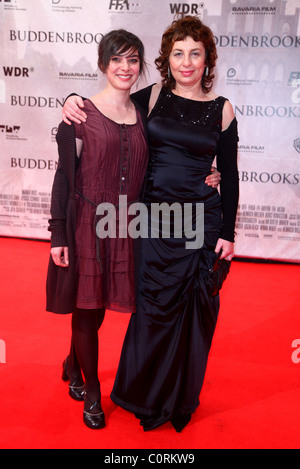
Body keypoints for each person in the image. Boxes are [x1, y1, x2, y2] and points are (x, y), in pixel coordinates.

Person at [62, 15, 237, 432]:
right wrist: (72, 98)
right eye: (179, 53)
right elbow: (110, 106)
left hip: (199, 223)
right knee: (147, 307)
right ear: (167, 59)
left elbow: (229, 175)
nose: (187, 61)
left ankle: (172, 394)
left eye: (195, 53)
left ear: (207, 59)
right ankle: (91, 368)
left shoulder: (224, 110)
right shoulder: (153, 96)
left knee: (188, 314)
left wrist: (228, 233)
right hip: (152, 221)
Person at [46, 29, 150, 430]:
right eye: (117, 59)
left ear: (140, 66)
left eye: (133, 60)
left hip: (126, 226)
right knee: (86, 308)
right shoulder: (79, 115)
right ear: (103, 64)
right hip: (87, 223)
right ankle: (90, 390)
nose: (125, 68)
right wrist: (58, 234)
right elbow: (63, 177)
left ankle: (73, 362)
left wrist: (209, 174)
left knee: (102, 304)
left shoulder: (144, 111)